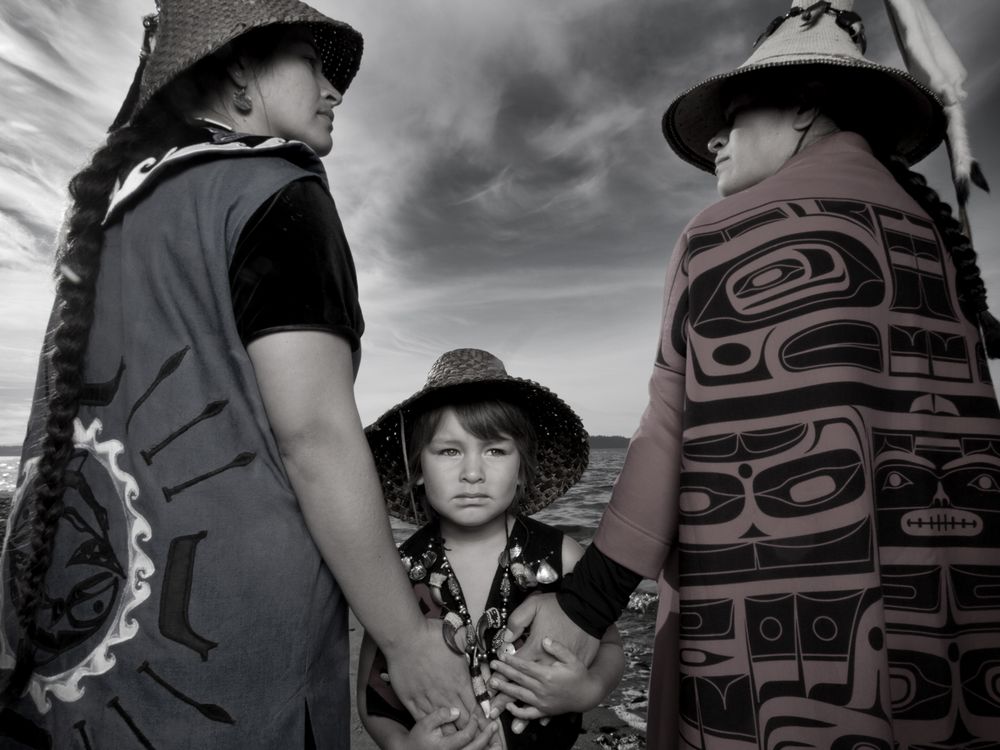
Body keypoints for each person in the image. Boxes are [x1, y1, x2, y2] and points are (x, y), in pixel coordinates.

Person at [498, 1, 1000, 747]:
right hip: (954, 651)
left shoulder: (721, 235)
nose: (714, 138)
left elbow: (668, 433)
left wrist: (583, 606)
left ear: (802, 108)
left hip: (773, 668)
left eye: (733, 113)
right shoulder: (933, 243)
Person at [0, 1, 484, 747]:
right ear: (238, 71)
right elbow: (314, 437)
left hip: (83, 666)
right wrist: (407, 640)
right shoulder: (274, 189)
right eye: (313, 64)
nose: (335, 89)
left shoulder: (108, 224)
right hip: (232, 659)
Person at [358, 348, 625, 749]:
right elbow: (372, 697)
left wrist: (587, 690)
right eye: (449, 451)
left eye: (495, 450)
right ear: (417, 469)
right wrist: (405, 747)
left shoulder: (563, 556)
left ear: (521, 470)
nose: (472, 473)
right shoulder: (397, 573)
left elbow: (610, 645)